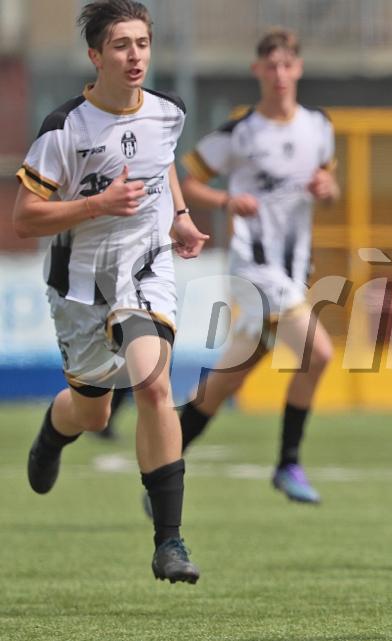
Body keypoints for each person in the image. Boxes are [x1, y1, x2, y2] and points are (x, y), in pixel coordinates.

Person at [13, 0, 208, 583]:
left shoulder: (168, 112)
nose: (135, 56)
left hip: (146, 268)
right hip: (80, 282)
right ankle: (53, 434)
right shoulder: (64, 129)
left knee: (153, 383)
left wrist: (179, 215)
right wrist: (98, 204)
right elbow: (24, 218)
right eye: (121, 45)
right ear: (96, 56)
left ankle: (169, 542)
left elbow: (162, 161)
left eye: (142, 43)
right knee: (93, 413)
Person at [176, 28, 339, 503]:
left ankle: (164, 461)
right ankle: (288, 463)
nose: (279, 74)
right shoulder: (241, 132)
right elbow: (187, 182)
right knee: (319, 353)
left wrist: (329, 189)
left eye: (287, 65)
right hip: (255, 268)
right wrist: (226, 200)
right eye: (271, 66)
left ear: (298, 69)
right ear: (257, 71)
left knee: (229, 378)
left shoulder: (318, 126)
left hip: (294, 269)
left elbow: (328, 185)